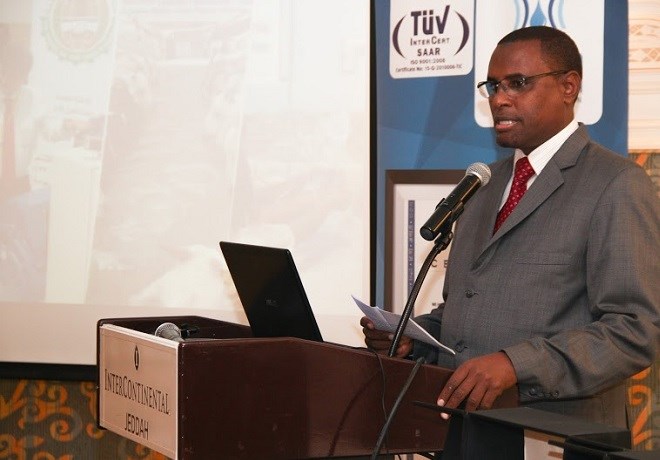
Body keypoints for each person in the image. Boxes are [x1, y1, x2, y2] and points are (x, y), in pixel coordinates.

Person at [361, 25, 660, 428]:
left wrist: (515, 364)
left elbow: (634, 330)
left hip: (558, 432)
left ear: (569, 86)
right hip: (466, 426)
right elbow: (468, 309)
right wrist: (413, 339)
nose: (499, 99)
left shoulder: (616, 182)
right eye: (493, 86)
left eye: (518, 83)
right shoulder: (483, 183)